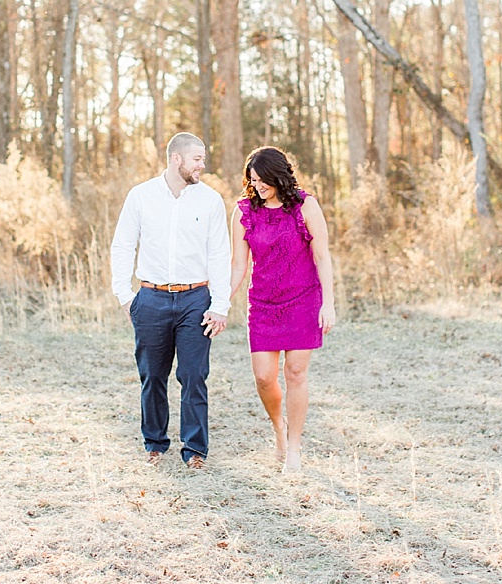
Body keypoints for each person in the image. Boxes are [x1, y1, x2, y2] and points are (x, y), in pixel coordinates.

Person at [110, 131, 231, 469]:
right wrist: (125, 295)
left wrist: (220, 305)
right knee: (152, 376)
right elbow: (122, 245)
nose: (202, 165)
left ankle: (194, 450)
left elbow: (220, 254)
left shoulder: (210, 200)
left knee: (194, 376)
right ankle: (154, 443)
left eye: (203, 158)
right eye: (197, 158)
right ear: (176, 159)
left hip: (197, 299)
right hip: (151, 298)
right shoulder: (141, 196)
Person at [229, 146, 336, 476]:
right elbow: (237, 265)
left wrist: (329, 303)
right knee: (263, 377)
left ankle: (293, 447)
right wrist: (220, 302)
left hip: (303, 300)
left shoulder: (305, 206)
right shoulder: (244, 212)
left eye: (263, 180)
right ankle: (278, 427)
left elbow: (322, 256)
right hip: (262, 304)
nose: (258, 186)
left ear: (279, 176)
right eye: (253, 180)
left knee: (296, 373)